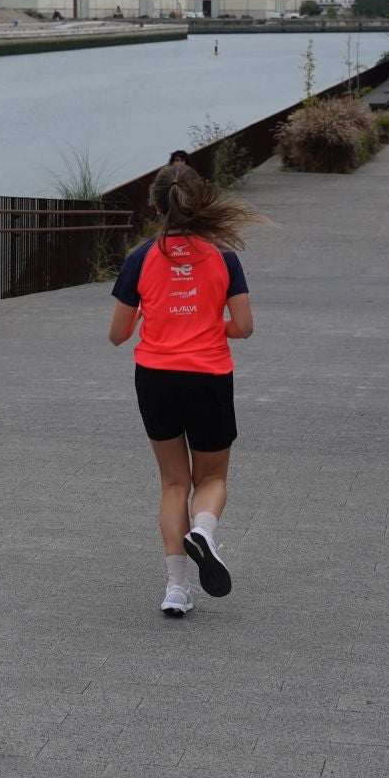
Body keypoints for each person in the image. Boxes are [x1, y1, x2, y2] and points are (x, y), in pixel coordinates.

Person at [108, 165, 262, 618]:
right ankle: (205, 531)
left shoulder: (139, 258)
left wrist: (153, 316)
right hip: (209, 375)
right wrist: (213, 325)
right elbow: (246, 327)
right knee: (211, 478)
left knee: (174, 482)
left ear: (155, 205)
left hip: (156, 378)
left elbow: (117, 334)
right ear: (200, 202)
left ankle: (177, 589)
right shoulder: (224, 258)